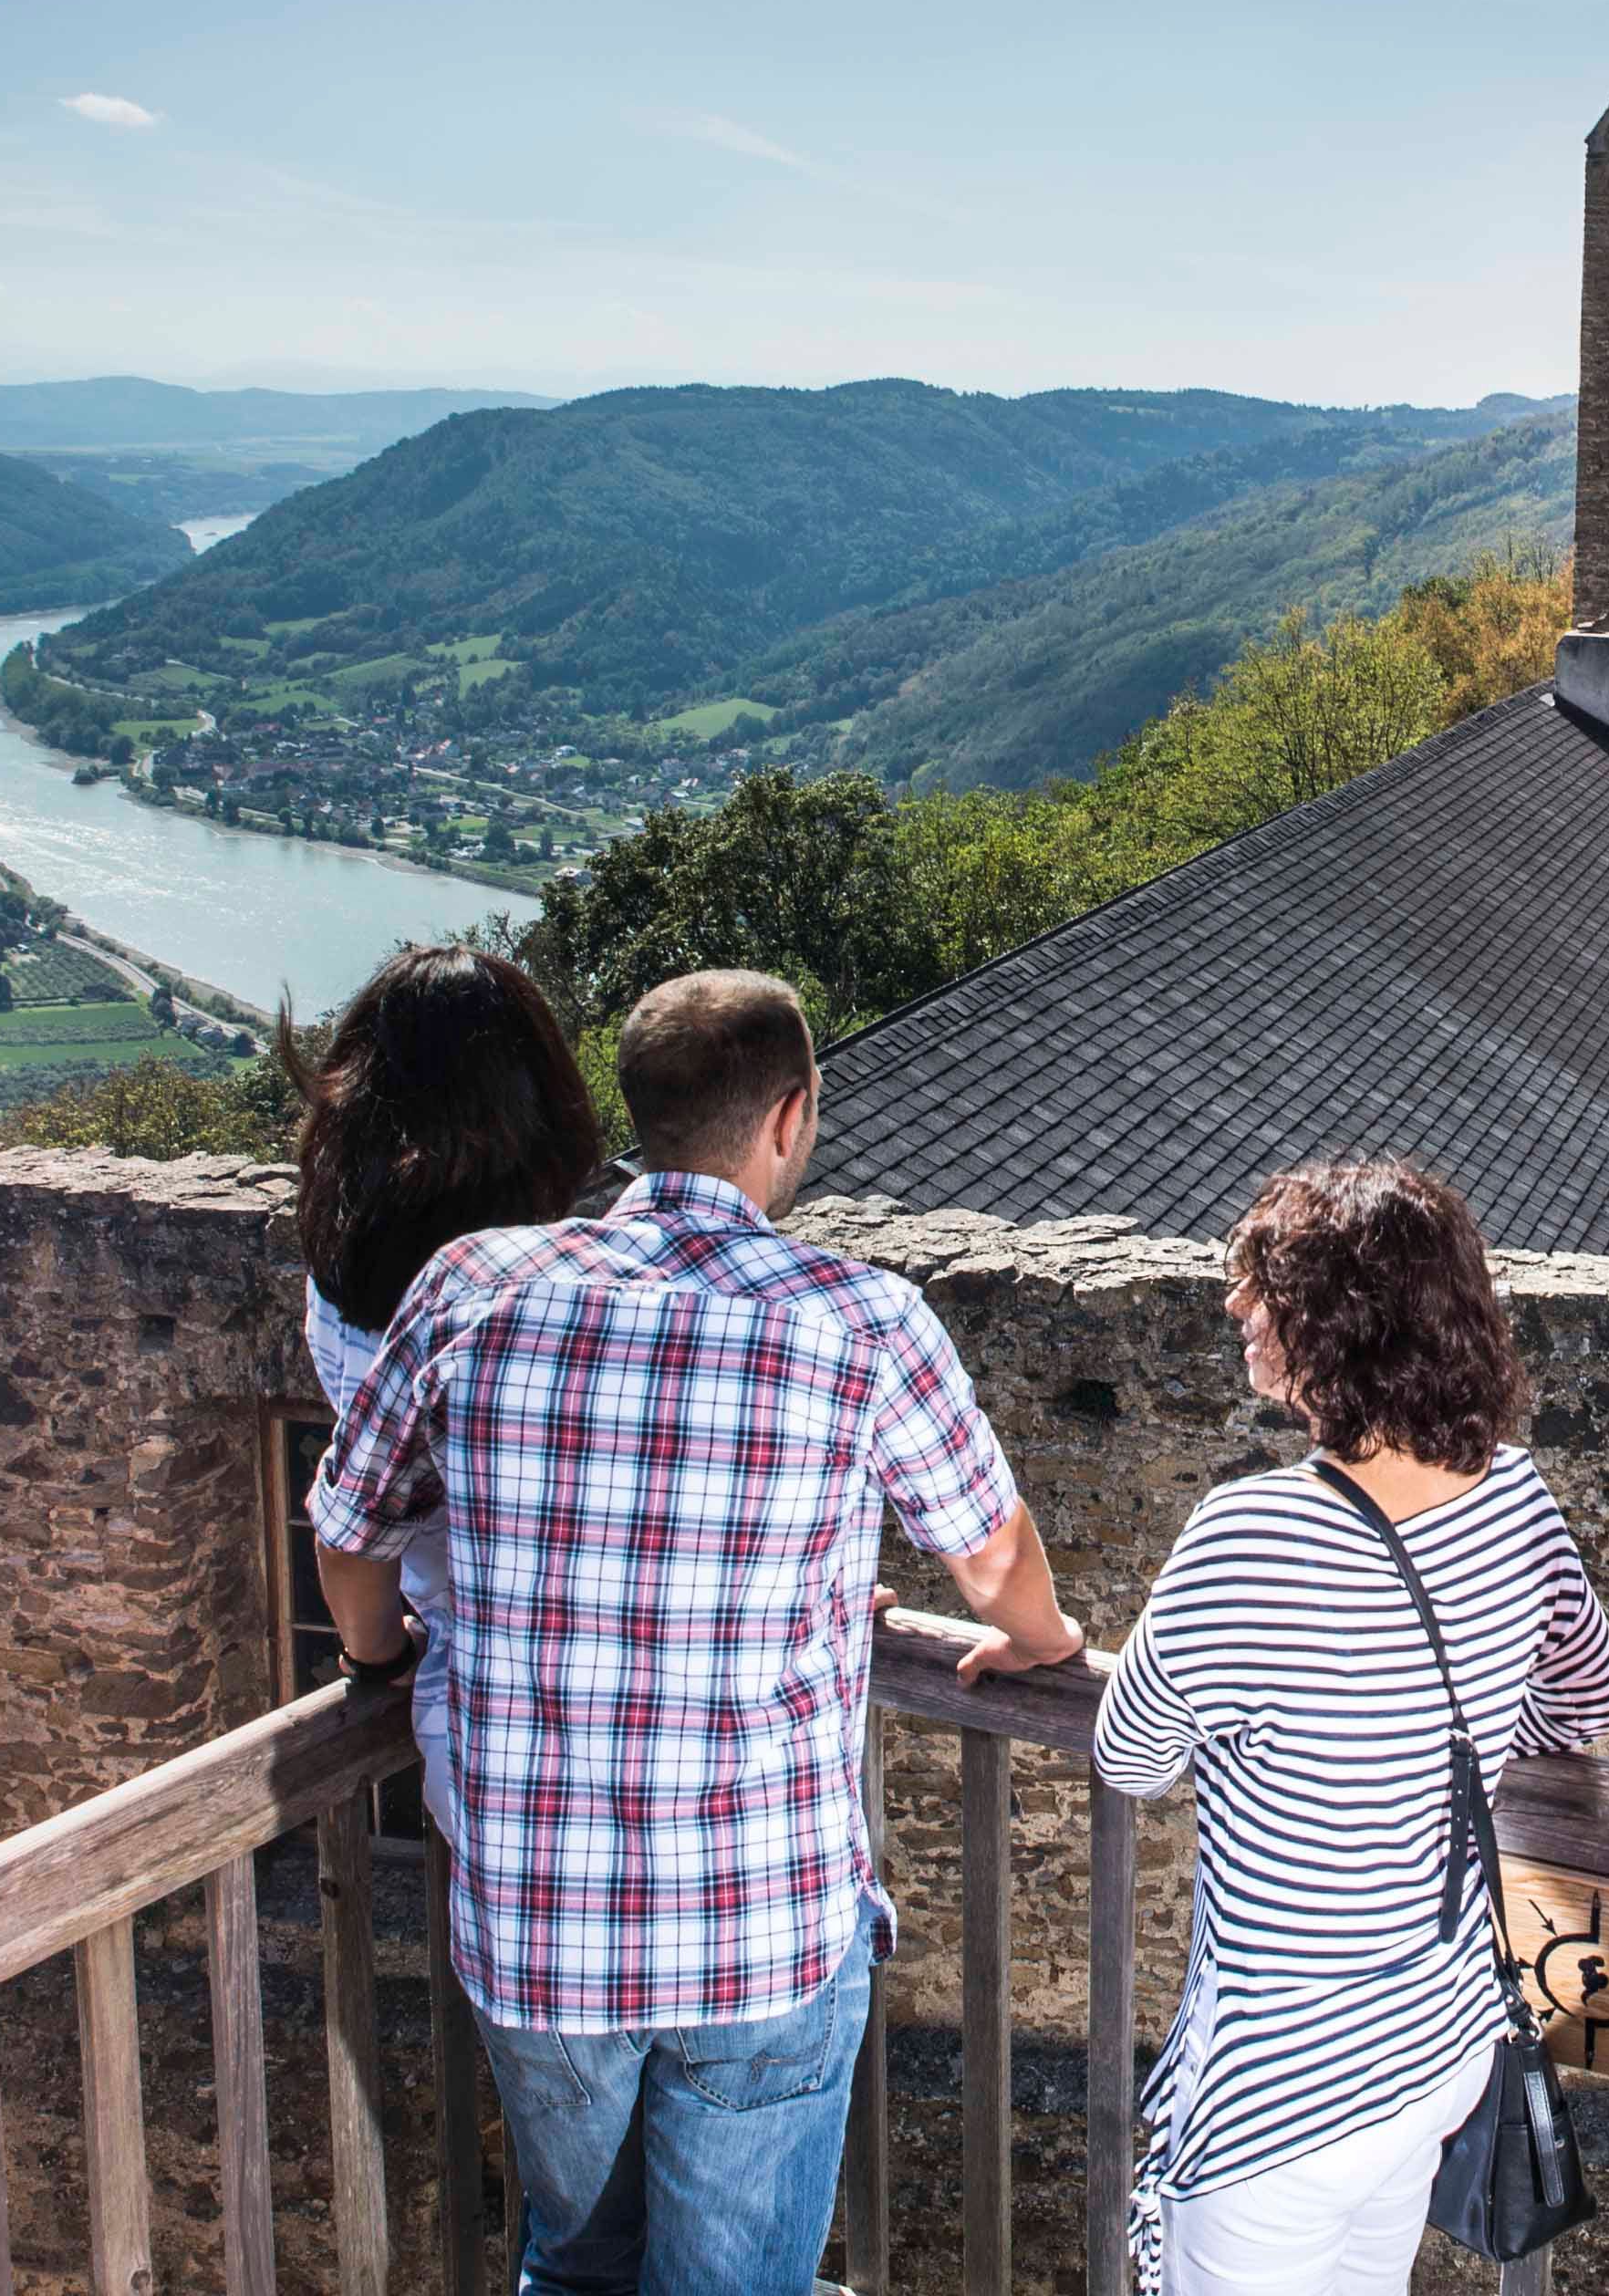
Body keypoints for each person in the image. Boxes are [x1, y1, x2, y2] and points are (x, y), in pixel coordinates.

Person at [311, 970, 1085, 2296]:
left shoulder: (473, 1283)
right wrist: (1049, 1642)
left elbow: (348, 1535)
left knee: (575, 2265)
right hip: (758, 1931)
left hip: (538, 1930)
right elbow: (993, 1558)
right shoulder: (857, 1316)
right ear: (789, 1117)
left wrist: (378, 1663)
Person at [1096, 1161, 1609, 2296]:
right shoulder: (1515, 1495)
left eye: (1267, 1290)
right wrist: (1458, 1724)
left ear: (1340, 1326)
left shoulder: (1250, 1534)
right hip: (1431, 2054)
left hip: (1282, 2098)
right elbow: (1586, 1702)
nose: (1237, 1306)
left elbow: (1129, 1755)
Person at [287, 942, 607, 1841]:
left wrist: (376, 1658)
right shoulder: (584, 1290)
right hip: (682, 1711)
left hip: (488, 1737)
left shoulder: (344, 1291)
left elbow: (353, 1536)